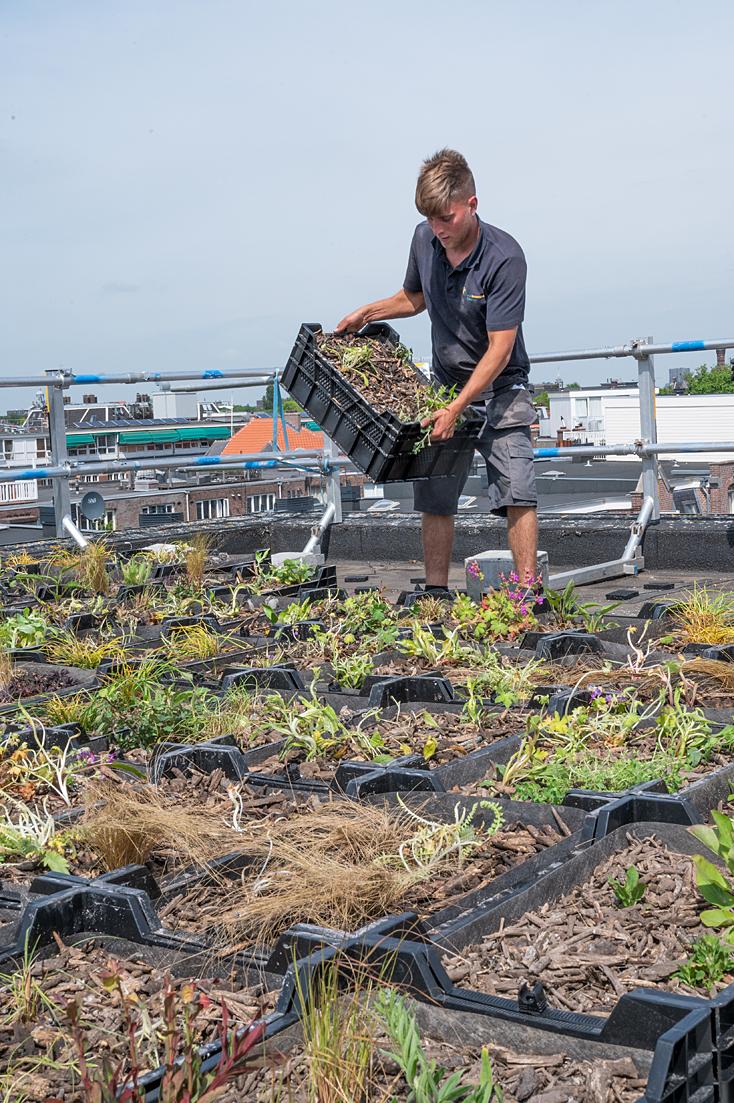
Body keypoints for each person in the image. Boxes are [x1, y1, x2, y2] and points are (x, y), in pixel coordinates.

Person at [336, 148, 537, 591]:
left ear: (472, 204)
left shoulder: (505, 258)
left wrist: (459, 407)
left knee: (517, 490)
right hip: (444, 389)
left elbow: (500, 349)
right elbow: (414, 297)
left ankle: (527, 596)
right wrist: (367, 313)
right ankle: (435, 592)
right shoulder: (423, 239)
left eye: (445, 218)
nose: (438, 230)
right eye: (430, 219)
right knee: (435, 495)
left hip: (501, 390)